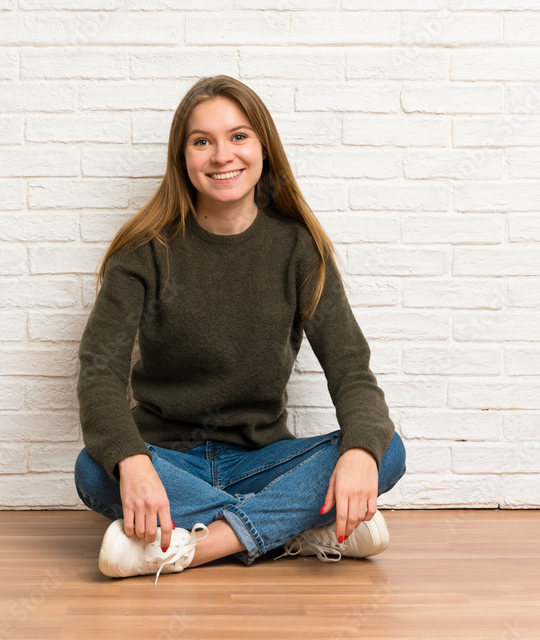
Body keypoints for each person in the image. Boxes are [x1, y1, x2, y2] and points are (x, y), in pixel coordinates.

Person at [73, 75, 406, 585]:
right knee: (95, 468)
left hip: (262, 458)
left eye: (238, 136)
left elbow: (352, 372)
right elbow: (99, 374)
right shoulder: (144, 251)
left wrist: (361, 453)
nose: (221, 155)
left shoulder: (299, 250)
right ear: (182, 157)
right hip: (169, 461)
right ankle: (295, 528)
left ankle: (196, 548)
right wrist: (134, 462)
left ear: (263, 147)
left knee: (385, 450)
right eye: (202, 141)